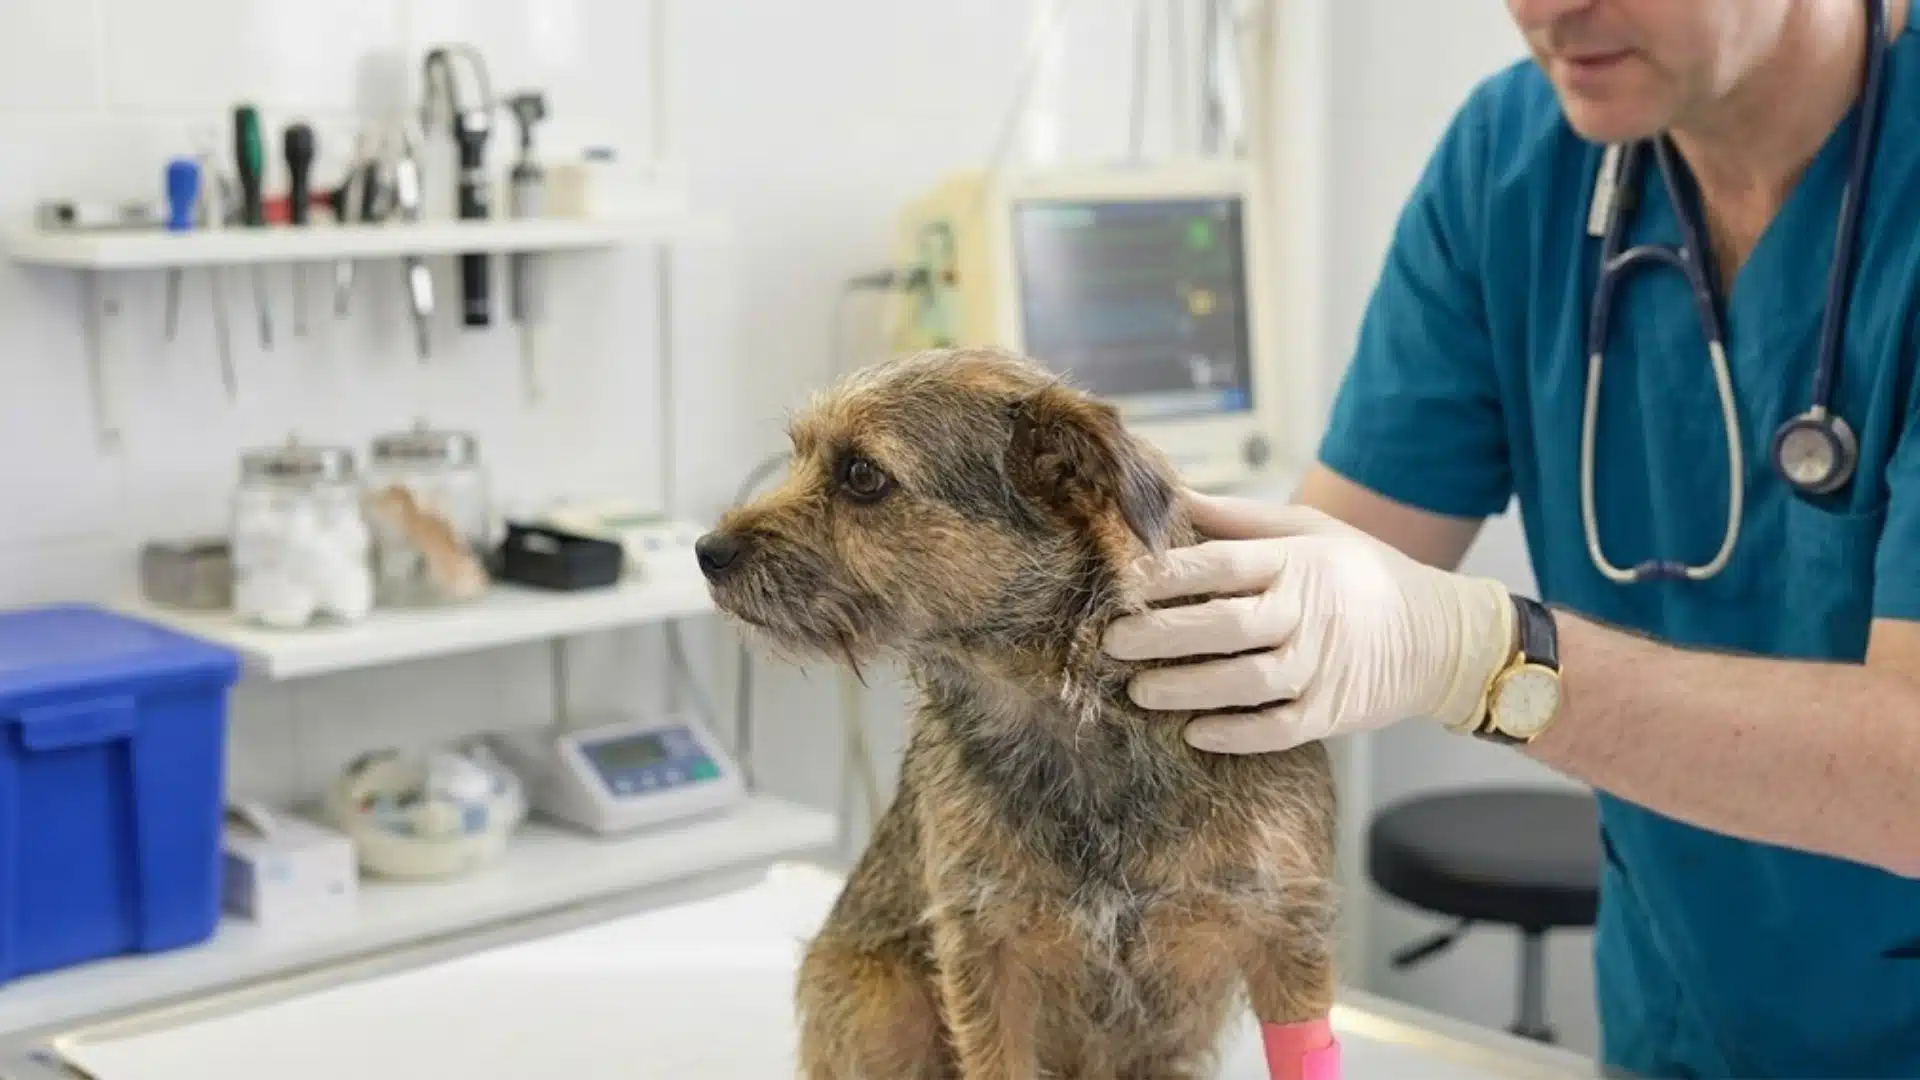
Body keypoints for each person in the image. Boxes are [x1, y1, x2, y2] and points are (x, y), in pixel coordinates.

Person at [1100, 1, 1920, 1076]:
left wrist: (1483, 658)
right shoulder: (1519, 161)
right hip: (1684, 1018)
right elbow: (1291, 609)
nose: (1543, 9)